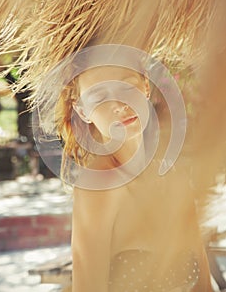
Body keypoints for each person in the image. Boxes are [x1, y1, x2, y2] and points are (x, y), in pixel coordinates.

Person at [37, 44, 213, 292]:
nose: (119, 104)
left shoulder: (175, 179)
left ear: (145, 87)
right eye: (100, 97)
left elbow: (204, 284)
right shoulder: (99, 188)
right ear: (82, 110)